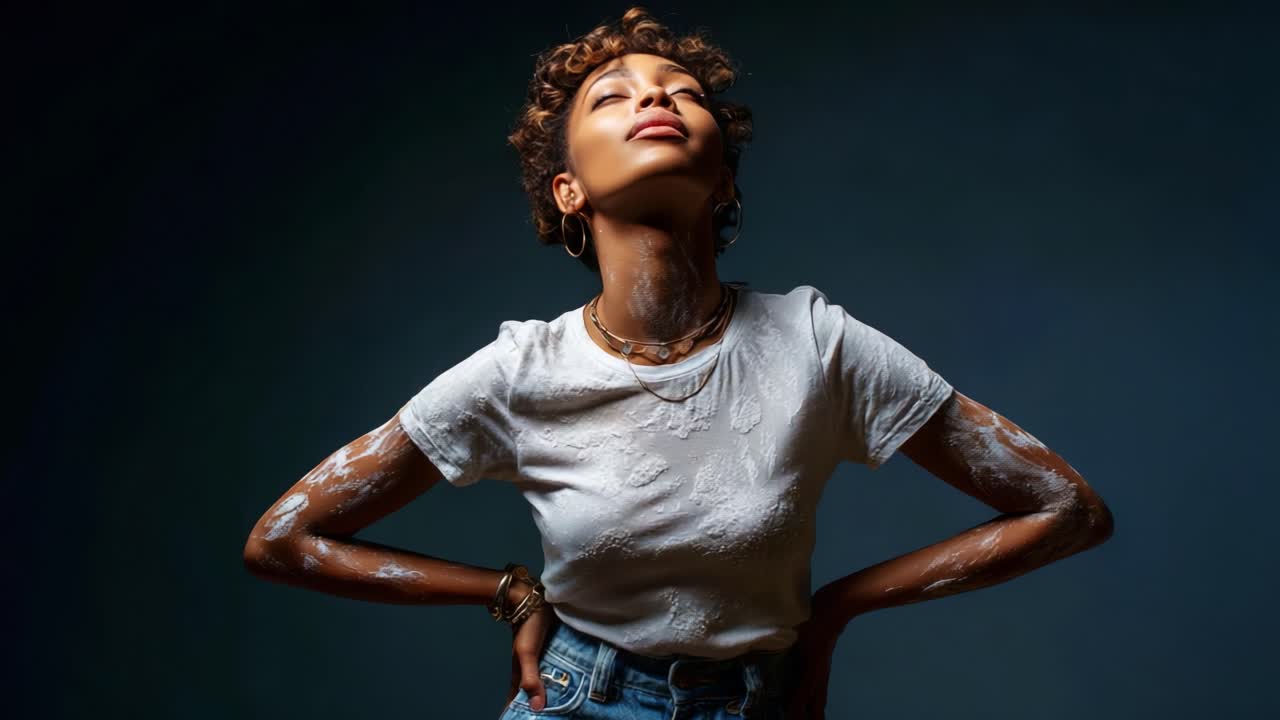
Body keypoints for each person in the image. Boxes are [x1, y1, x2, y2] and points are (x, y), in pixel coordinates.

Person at [243, 7, 1115, 719]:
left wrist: (836, 612)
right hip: (580, 702)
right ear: (568, 191)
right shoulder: (518, 373)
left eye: (682, 93)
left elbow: (1067, 510)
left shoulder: (819, 344)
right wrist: (508, 590)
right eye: (610, 97)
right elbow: (284, 541)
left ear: (725, 180)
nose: (654, 100)